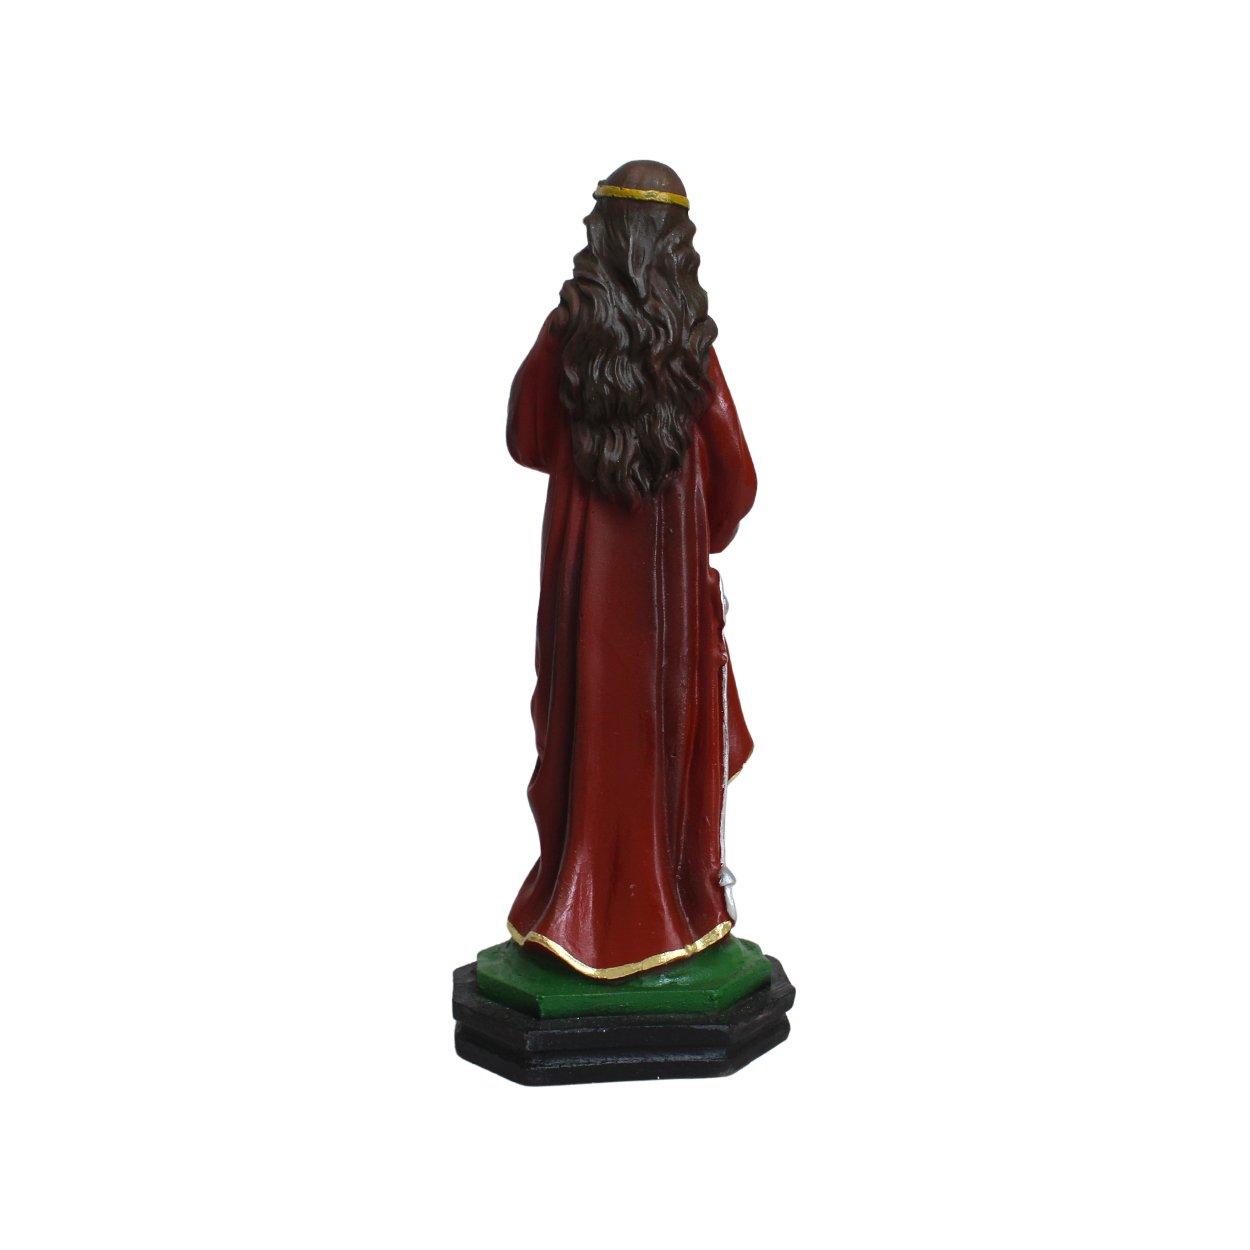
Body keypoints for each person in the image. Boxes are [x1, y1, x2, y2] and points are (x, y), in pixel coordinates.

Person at [505, 161, 757, 979]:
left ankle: (572, 902)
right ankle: (670, 906)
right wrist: (699, 537)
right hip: (664, 599)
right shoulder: (690, 352)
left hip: (582, 587)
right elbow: (739, 479)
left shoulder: (568, 337)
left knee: (580, 733)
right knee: (662, 740)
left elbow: (525, 437)